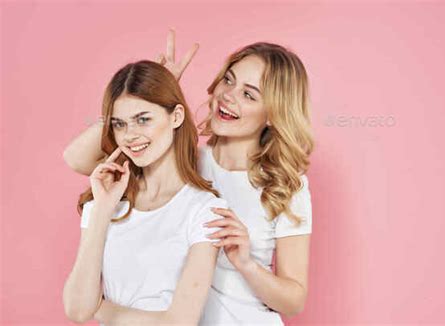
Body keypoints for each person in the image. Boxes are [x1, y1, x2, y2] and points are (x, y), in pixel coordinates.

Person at [63, 30, 314, 325]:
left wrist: (246, 264)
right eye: (228, 80)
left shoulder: (284, 186)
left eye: (248, 94)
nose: (228, 96)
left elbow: (294, 300)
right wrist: (146, 96)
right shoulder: (186, 162)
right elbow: (76, 159)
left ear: (273, 112)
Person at [62, 59, 227, 325]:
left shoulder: (204, 210)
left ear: (176, 116)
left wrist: (101, 308)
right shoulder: (104, 202)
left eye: (143, 119)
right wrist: (102, 211)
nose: (130, 135)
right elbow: (77, 310)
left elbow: (179, 322)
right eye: (119, 124)